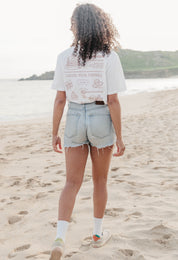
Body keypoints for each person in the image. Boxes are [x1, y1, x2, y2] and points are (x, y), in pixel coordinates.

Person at [49, 3, 126, 259]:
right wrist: (120, 137)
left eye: (72, 22)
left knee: (71, 183)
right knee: (100, 181)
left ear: (78, 26)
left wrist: (54, 132)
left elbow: (60, 100)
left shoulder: (63, 56)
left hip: (73, 117)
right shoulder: (109, 56)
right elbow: (113, 100)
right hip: (100, 116)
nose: (69, 26)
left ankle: (60, 238)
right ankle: (96, 235)